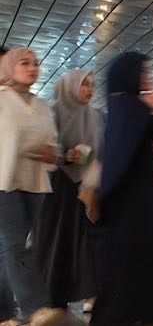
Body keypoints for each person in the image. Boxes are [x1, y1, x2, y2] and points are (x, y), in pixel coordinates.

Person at [90, 52, 153, 325]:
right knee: (136, 252)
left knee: (150, 247)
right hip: (132, 199)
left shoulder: (125, 106)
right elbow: (141, 143)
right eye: (143, 72)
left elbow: (152, 134)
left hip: (137, 196)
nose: (148, 77)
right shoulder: (130, 107)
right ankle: (122, 312)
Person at [0, 47, 67, 326]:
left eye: (35, 63)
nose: (32, 68)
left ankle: (3, 313)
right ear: (8, 67)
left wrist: (54, 154)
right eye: (24, 63)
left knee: (8, 249)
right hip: (3, 182)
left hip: (34, 182)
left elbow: (53, 144)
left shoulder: (41, 106)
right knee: (17, 245)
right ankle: (36, 308)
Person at [35, 69, 103, 313]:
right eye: (84, 85)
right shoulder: (50, 111)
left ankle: (91, 291)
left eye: (92, 85)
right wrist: (65, 155)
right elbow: (42, 147)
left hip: (82, 185)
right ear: (70, 87)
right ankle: (53, 295)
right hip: (55, 185)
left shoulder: (94, 116)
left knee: (85, 239)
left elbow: (98, 152)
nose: (90, 89)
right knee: (56, 239)